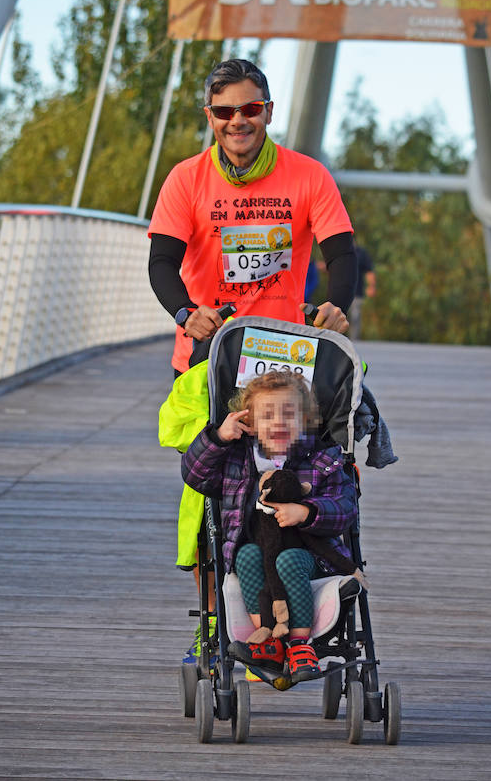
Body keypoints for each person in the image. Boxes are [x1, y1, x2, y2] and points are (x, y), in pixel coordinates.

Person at [147, 58, 357, 664]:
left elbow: (341, 255)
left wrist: (336, 307)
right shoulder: (187, 180)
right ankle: (213, 625)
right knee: (207, 497)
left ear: (268, 110)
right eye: (225, 111)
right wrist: (187, 313)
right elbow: (162, 263)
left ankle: (304, 610)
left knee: (310, 474)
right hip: (209, 359)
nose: (238, 122)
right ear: (209, 117)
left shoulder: (307, 176)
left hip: (287, 361)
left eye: (251, 109)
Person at [181, 370, 358, 683]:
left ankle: (299, 644)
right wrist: (217, 438)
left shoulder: (322, 460)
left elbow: (344, 508)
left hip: (310, 558)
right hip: (257, 555)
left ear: (305, 420)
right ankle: (270, 639)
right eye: (267, 415)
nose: (278, 422)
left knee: (288, 560)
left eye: (289, 414)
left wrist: (306, 511)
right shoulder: (237, 459)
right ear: (250, 423)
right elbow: (196, 475)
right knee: (246, 556)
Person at [348, 244, 376, 341]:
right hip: (339, 292)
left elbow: (369, 271)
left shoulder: (360, 253)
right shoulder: (339, 249)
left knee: (355, 317)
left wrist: (371, 286)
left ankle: (354, 341)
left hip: (356, 292)